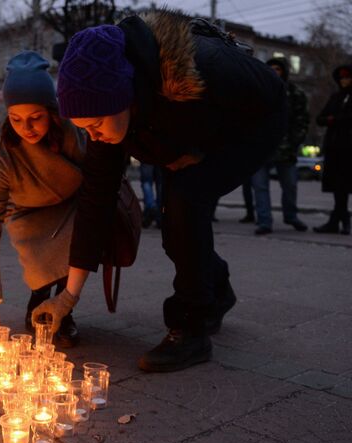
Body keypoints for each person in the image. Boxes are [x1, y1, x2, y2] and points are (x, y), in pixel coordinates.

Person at [34, 12, 287, 372]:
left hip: (254, 123)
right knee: (175, 229)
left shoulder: (205, 66)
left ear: (126, 95)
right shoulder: (109, 115)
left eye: (96, 124)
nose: (94, 135)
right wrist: (68, 297)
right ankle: (216, 289)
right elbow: (95, 201)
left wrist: (204, 148)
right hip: (183, 131)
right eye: (83, 128)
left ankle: (191, 329)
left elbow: (269, 96)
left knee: (185, 201)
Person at [0, 51, 87, 347]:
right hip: (27, 210)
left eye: (36, 118)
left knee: (78, 240)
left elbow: (98, 179)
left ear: (52, 112)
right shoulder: (3, 152)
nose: (26, 128)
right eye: (16, 119)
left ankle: (64, 308)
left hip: (74, 204)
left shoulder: (71, 134)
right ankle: (39, 296)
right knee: (35, 248)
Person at [251, 57, 309, 235]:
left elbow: (302, 121)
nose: (274, 72)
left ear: (284, 71)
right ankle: (264, 221)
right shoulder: (257, 91)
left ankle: (291, 216)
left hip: (285, 150)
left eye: (278, 68)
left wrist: (293, 143)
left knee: (290, 185)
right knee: (260, 187)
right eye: (271, 68)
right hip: (260, 149)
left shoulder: (295, 93)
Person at [313, 64, 352, 235]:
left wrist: (334, 119)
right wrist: (333, 120)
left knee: (343, 186)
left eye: (347, 77)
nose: (344, 81)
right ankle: (339, 220)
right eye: (342, 78)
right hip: (334, 148)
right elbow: (320, 118)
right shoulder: (336, 97)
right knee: (337, 186)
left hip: (348, 149)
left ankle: (341, 220)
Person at [138, 161, 162, 228]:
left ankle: (151, 207)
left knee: (146, 182)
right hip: (161, 154)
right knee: (160, 184)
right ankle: (159, 215)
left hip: (147, 154)